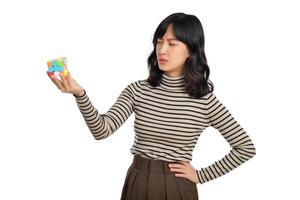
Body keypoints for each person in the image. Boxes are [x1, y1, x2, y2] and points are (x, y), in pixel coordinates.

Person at [47, 12, 256, 200]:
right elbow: (102, 131)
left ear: (191, 51)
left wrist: (200, 176)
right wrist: (80, 94)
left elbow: (245, 148)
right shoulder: (138, 90)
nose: (162, 50)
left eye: (172, 44)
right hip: (137, 181)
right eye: (159, 42)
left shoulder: (205, 101)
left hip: (177, 187)